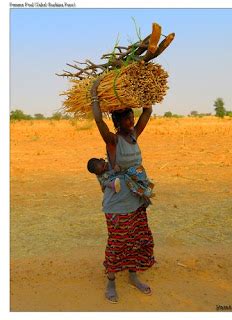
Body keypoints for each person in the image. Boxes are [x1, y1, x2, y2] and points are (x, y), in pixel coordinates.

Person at [90, 77, 156, 304]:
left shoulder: (134, 135)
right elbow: (99, 121)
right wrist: (94, 94)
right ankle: (110, 281)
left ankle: (133, 275)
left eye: (131, 116)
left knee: (136, 238)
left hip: (136, 197)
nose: (131, 120)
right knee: (118, 240)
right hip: (118, 201)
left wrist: (147, 89)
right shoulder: (113, 141)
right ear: (118, 122)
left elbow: (147, 112)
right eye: (127, 118)